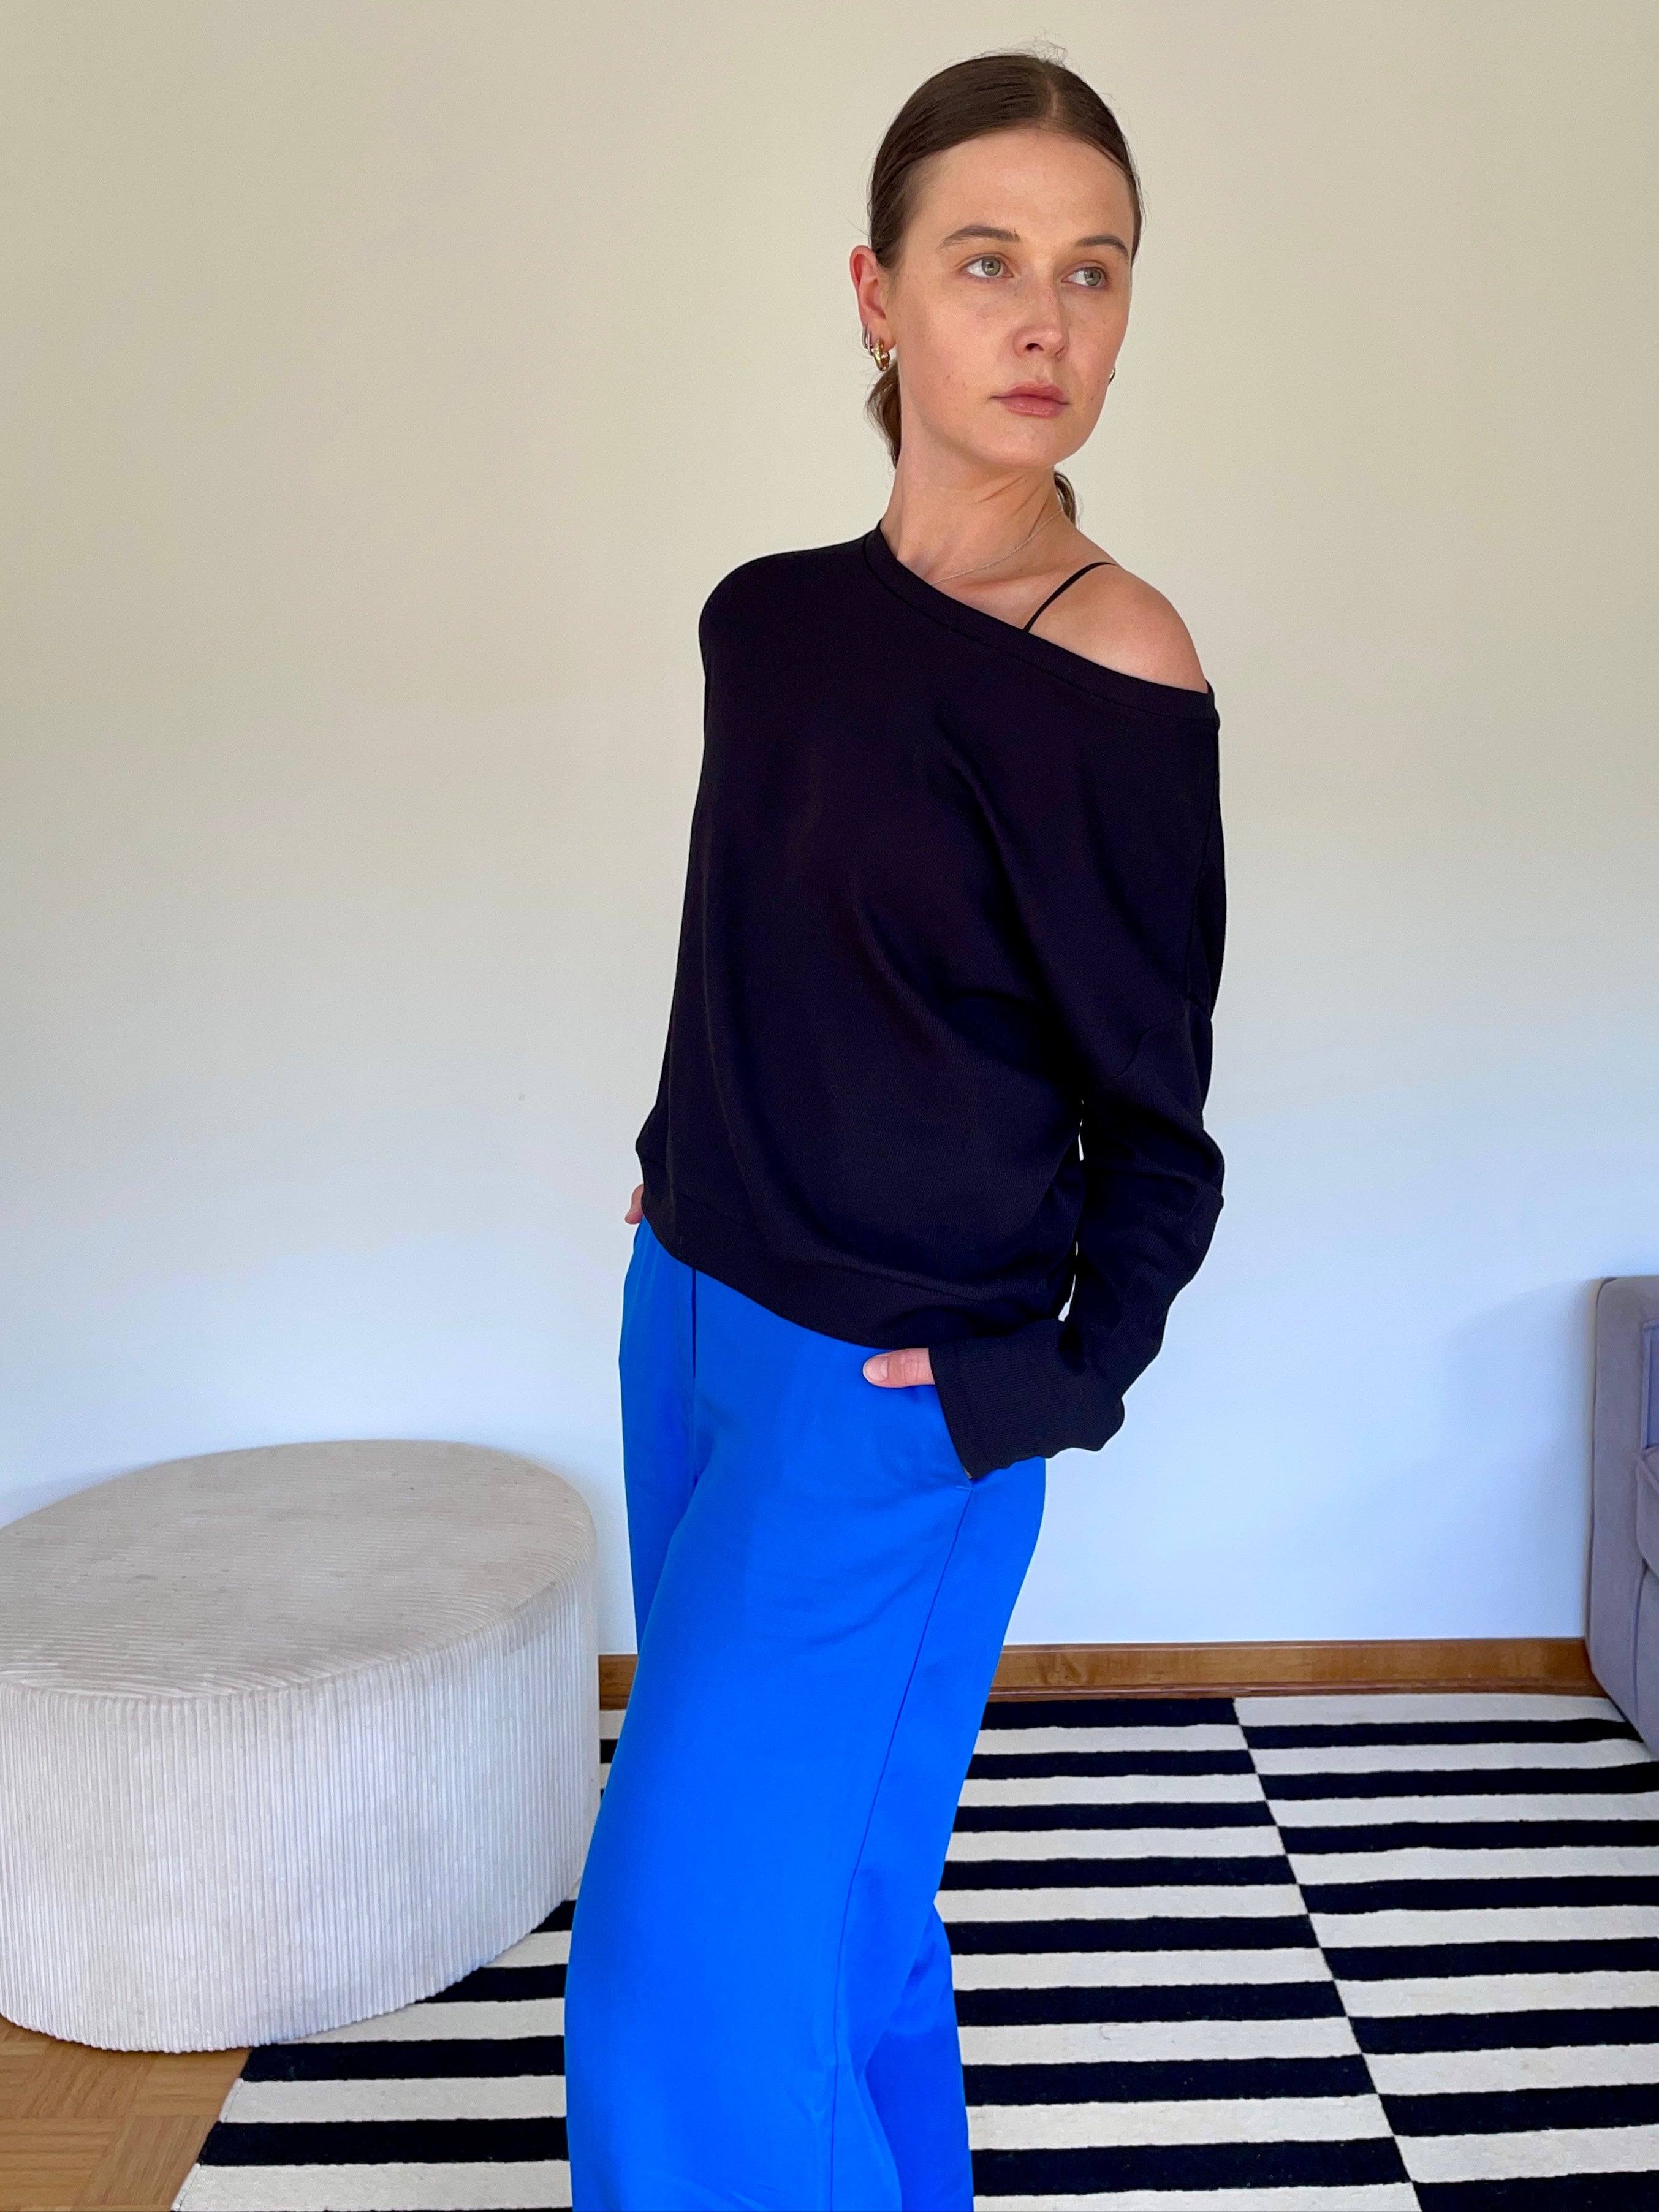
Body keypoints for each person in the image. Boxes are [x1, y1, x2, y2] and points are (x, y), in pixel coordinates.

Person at [563, 47, 1225, 2212]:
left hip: (888, 1392)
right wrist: (685, 1156)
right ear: (876, 294)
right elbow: (755, 935)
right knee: (820, 1904)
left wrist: (1043, 1383)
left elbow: (1157, 1123)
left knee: (674, 1971)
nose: (1045, 320)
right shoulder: (763, 621)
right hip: (688, 1318)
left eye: (1092, 270)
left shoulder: (1115, 662)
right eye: (985, 262)